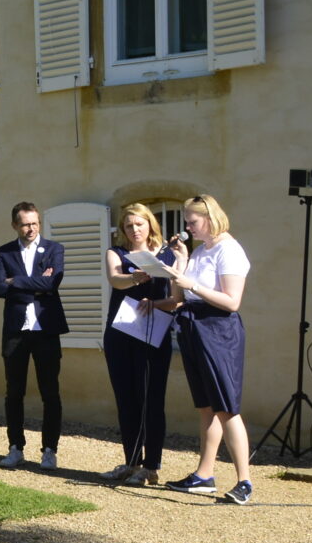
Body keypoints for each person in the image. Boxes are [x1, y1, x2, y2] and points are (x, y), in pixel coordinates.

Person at [160, 194, 256, 504]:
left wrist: (193, 285)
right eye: (186, 221)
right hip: (193, 326)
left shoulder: (229, 250)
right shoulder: (201, 251)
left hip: (218, 329)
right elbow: (179, 295)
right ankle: (204, 474)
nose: (187, 227)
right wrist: (181, 262)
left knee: (227, 407)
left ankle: (245, 481)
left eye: (192, 221)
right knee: (206, 406)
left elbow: (232, 301)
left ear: (210, 218)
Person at [102, 205, 177, 486]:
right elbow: (115, 278)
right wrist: (134, 277)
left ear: (150, 225)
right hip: (121, 332)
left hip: (153, 332)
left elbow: (177, 296)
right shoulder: (117, 253)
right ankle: (132, 462)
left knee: (151, 399)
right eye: (129, 225)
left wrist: (172, 267)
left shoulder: (168, 255)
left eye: (139, 224)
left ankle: (151, 465)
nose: (134, 230)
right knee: (126, 398)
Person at [0, 202, 67, 470]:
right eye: (25, 224)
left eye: (35, 223)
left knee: (50, 392)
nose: (31, 228)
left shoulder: (54, 249)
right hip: (16, 332)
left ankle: (49, 450)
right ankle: (15, 448)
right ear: (15, 225)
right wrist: (35, 282)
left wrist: (17, 281)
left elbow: (52, 282)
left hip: (45, 330)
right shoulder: (5, 252)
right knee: (14, 392)